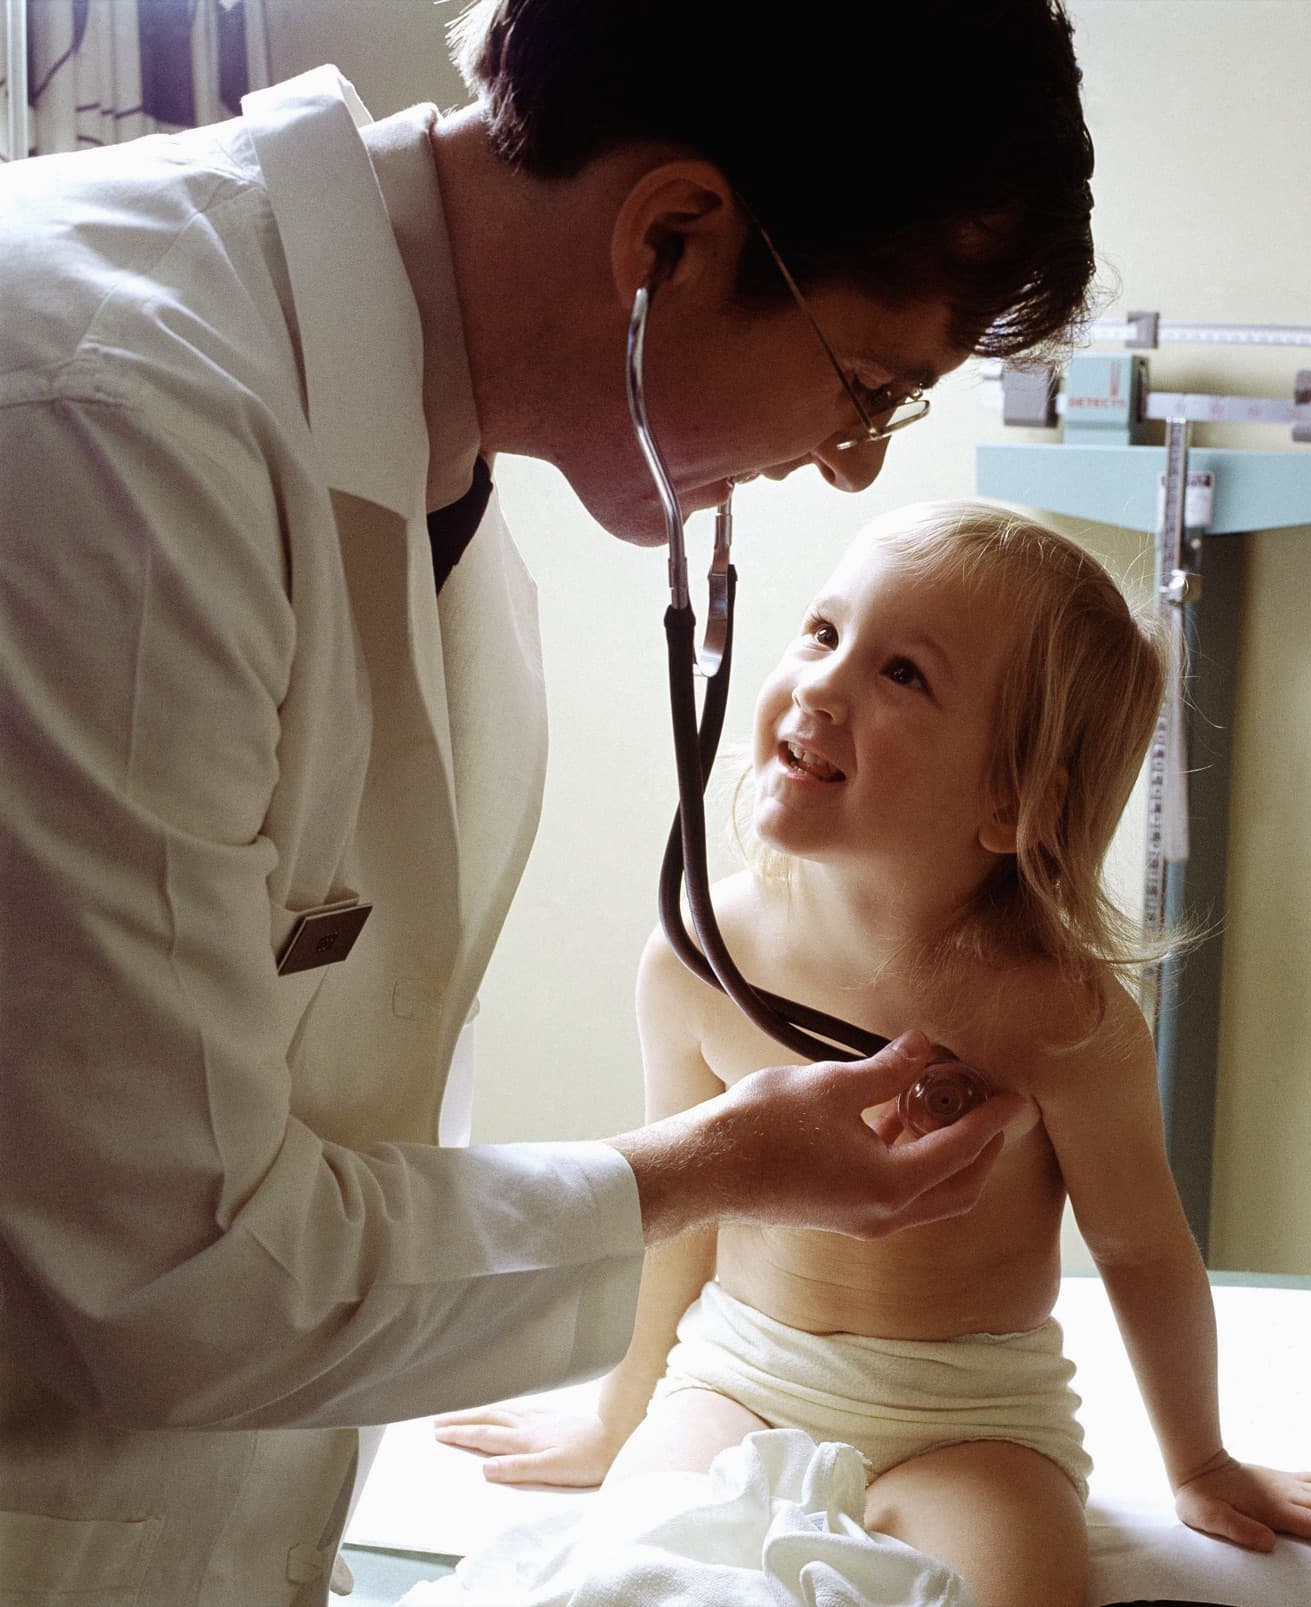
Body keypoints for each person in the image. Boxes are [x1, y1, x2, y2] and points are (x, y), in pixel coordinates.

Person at [0, 1, 1104, 1602]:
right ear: (672, 241)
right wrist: (704, 1168)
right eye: (868, 383)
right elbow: (167, 1271)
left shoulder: (417, 482)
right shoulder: (112, 436)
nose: (855, 465)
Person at [435, 501, 1311, 1606]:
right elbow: (682, 1211)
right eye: (821, 631)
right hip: (740, 1379)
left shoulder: (1056, 1015)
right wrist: (619, 1415)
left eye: (903, 674)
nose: (823, 683)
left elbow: (1140, 1247)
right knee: (630, 1575)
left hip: (973, 1418)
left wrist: (1201, 1459)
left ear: (1012, 801)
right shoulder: (698, 955)